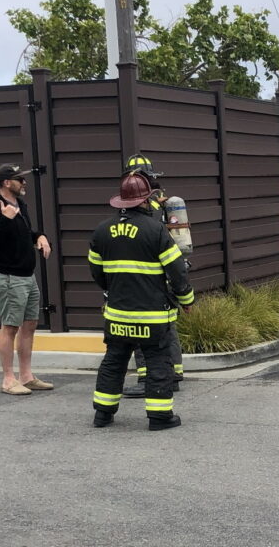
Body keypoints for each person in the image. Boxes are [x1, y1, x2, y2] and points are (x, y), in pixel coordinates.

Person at [88, 172, 195, 431]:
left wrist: (114, 289)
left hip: (117, 314)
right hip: (152, 316)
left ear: (121, 202)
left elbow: (96, 272)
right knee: (158, 361)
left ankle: (102, 414)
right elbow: (176, 270)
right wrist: (187, 300)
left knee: (114, 360)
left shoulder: (101, 231)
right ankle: (159, 417)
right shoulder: (155, 229)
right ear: (146, 201)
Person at [117, 154, 186, 399]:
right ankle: (173, 373)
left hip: (148, 276)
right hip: (167, 271)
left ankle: (147, 377)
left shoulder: (147, 206)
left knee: (141, 327)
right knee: (168, 326)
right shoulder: (163, 201)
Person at [0, 163, 53, 395]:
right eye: (19, 179)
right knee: (10, 326)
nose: (24, 183)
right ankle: (8, 379)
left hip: (27, 276)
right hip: (9, 277)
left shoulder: (20, 204)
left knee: (30, 325)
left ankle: (26, 376)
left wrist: (40, 237)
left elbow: (25, 232)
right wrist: (5, 220)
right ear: (6, 182)